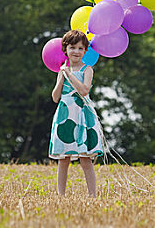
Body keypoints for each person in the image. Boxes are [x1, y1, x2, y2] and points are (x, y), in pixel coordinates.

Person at [49, 30, 104, 197]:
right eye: (73, 47)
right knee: (63, 159)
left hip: (82, 115)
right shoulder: (62, 70)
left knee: (85, 158)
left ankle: (92, 195)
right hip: (65, 114)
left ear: (85, 51)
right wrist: (62, 76)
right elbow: (55, 97)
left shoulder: (87, 70)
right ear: (65, 49)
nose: (76, 52)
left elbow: (84, 90)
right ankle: (61, 196)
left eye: (81, 48)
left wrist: (69, 75)